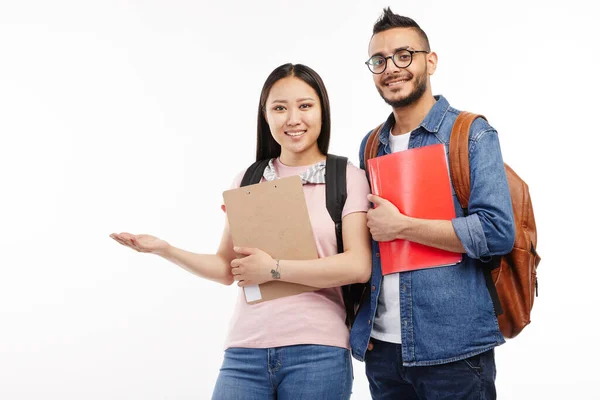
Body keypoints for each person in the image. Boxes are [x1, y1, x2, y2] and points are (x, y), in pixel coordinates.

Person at [110, 63, 372, 400]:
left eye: (305, 105)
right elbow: (225, 269)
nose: (293, 118)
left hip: (317, 351)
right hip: (244, 352)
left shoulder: (346, 176)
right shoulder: (249, 179)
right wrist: (165, 249)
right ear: (266, 116)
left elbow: (358, 266)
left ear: (323, 110)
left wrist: (273, 269)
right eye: (280, 108)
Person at [349, 8, 515, 400]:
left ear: (431, 60)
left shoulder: (469, 133)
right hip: (384, 352)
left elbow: (497, 232)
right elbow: (368, 242)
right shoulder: (371, 143)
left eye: (404, 55)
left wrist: (404, 225)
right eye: (379, 60)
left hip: (454, 352)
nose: (391, 68)